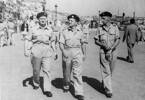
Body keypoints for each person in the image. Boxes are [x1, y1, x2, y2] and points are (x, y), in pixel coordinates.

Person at [24, 12, 55, 97]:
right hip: (36, 51)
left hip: (47, 52)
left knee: (47, 70)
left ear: (46, 19)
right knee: (36, 70)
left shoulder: (50, 29)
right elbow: (27, 39)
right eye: (41, 18)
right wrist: (26, 50)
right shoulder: (33, 29)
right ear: (38, 20)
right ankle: (36, 83)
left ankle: (47, 89)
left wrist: (54, 51)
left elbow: (52, 41)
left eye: (44, 18)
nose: (43, 20)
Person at [59, 14, 87, 100]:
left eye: (72, 21)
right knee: (67, 72)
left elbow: (83, 44)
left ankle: (79, 92)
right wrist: (64, 52)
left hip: (77, 52)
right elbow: (61, 43)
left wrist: (84, 54)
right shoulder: (64, 31)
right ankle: (66, 85)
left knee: (77, 73)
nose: (70, 22)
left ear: (76, 22)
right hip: (67, 51)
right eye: (69, 20)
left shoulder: (80, 32)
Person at [94, 11, 120, 98]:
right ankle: (108, 91)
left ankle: (105, 83)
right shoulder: (100, 29)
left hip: (113, 52)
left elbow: (117, 39)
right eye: (102, 18)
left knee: (111, 70)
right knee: (106, 71)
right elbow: (96, 40)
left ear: (109, 19)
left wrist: (112, 48)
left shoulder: (115, 27)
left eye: (103, 18)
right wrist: (103, 45)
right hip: (103, 52)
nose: (102, 20)